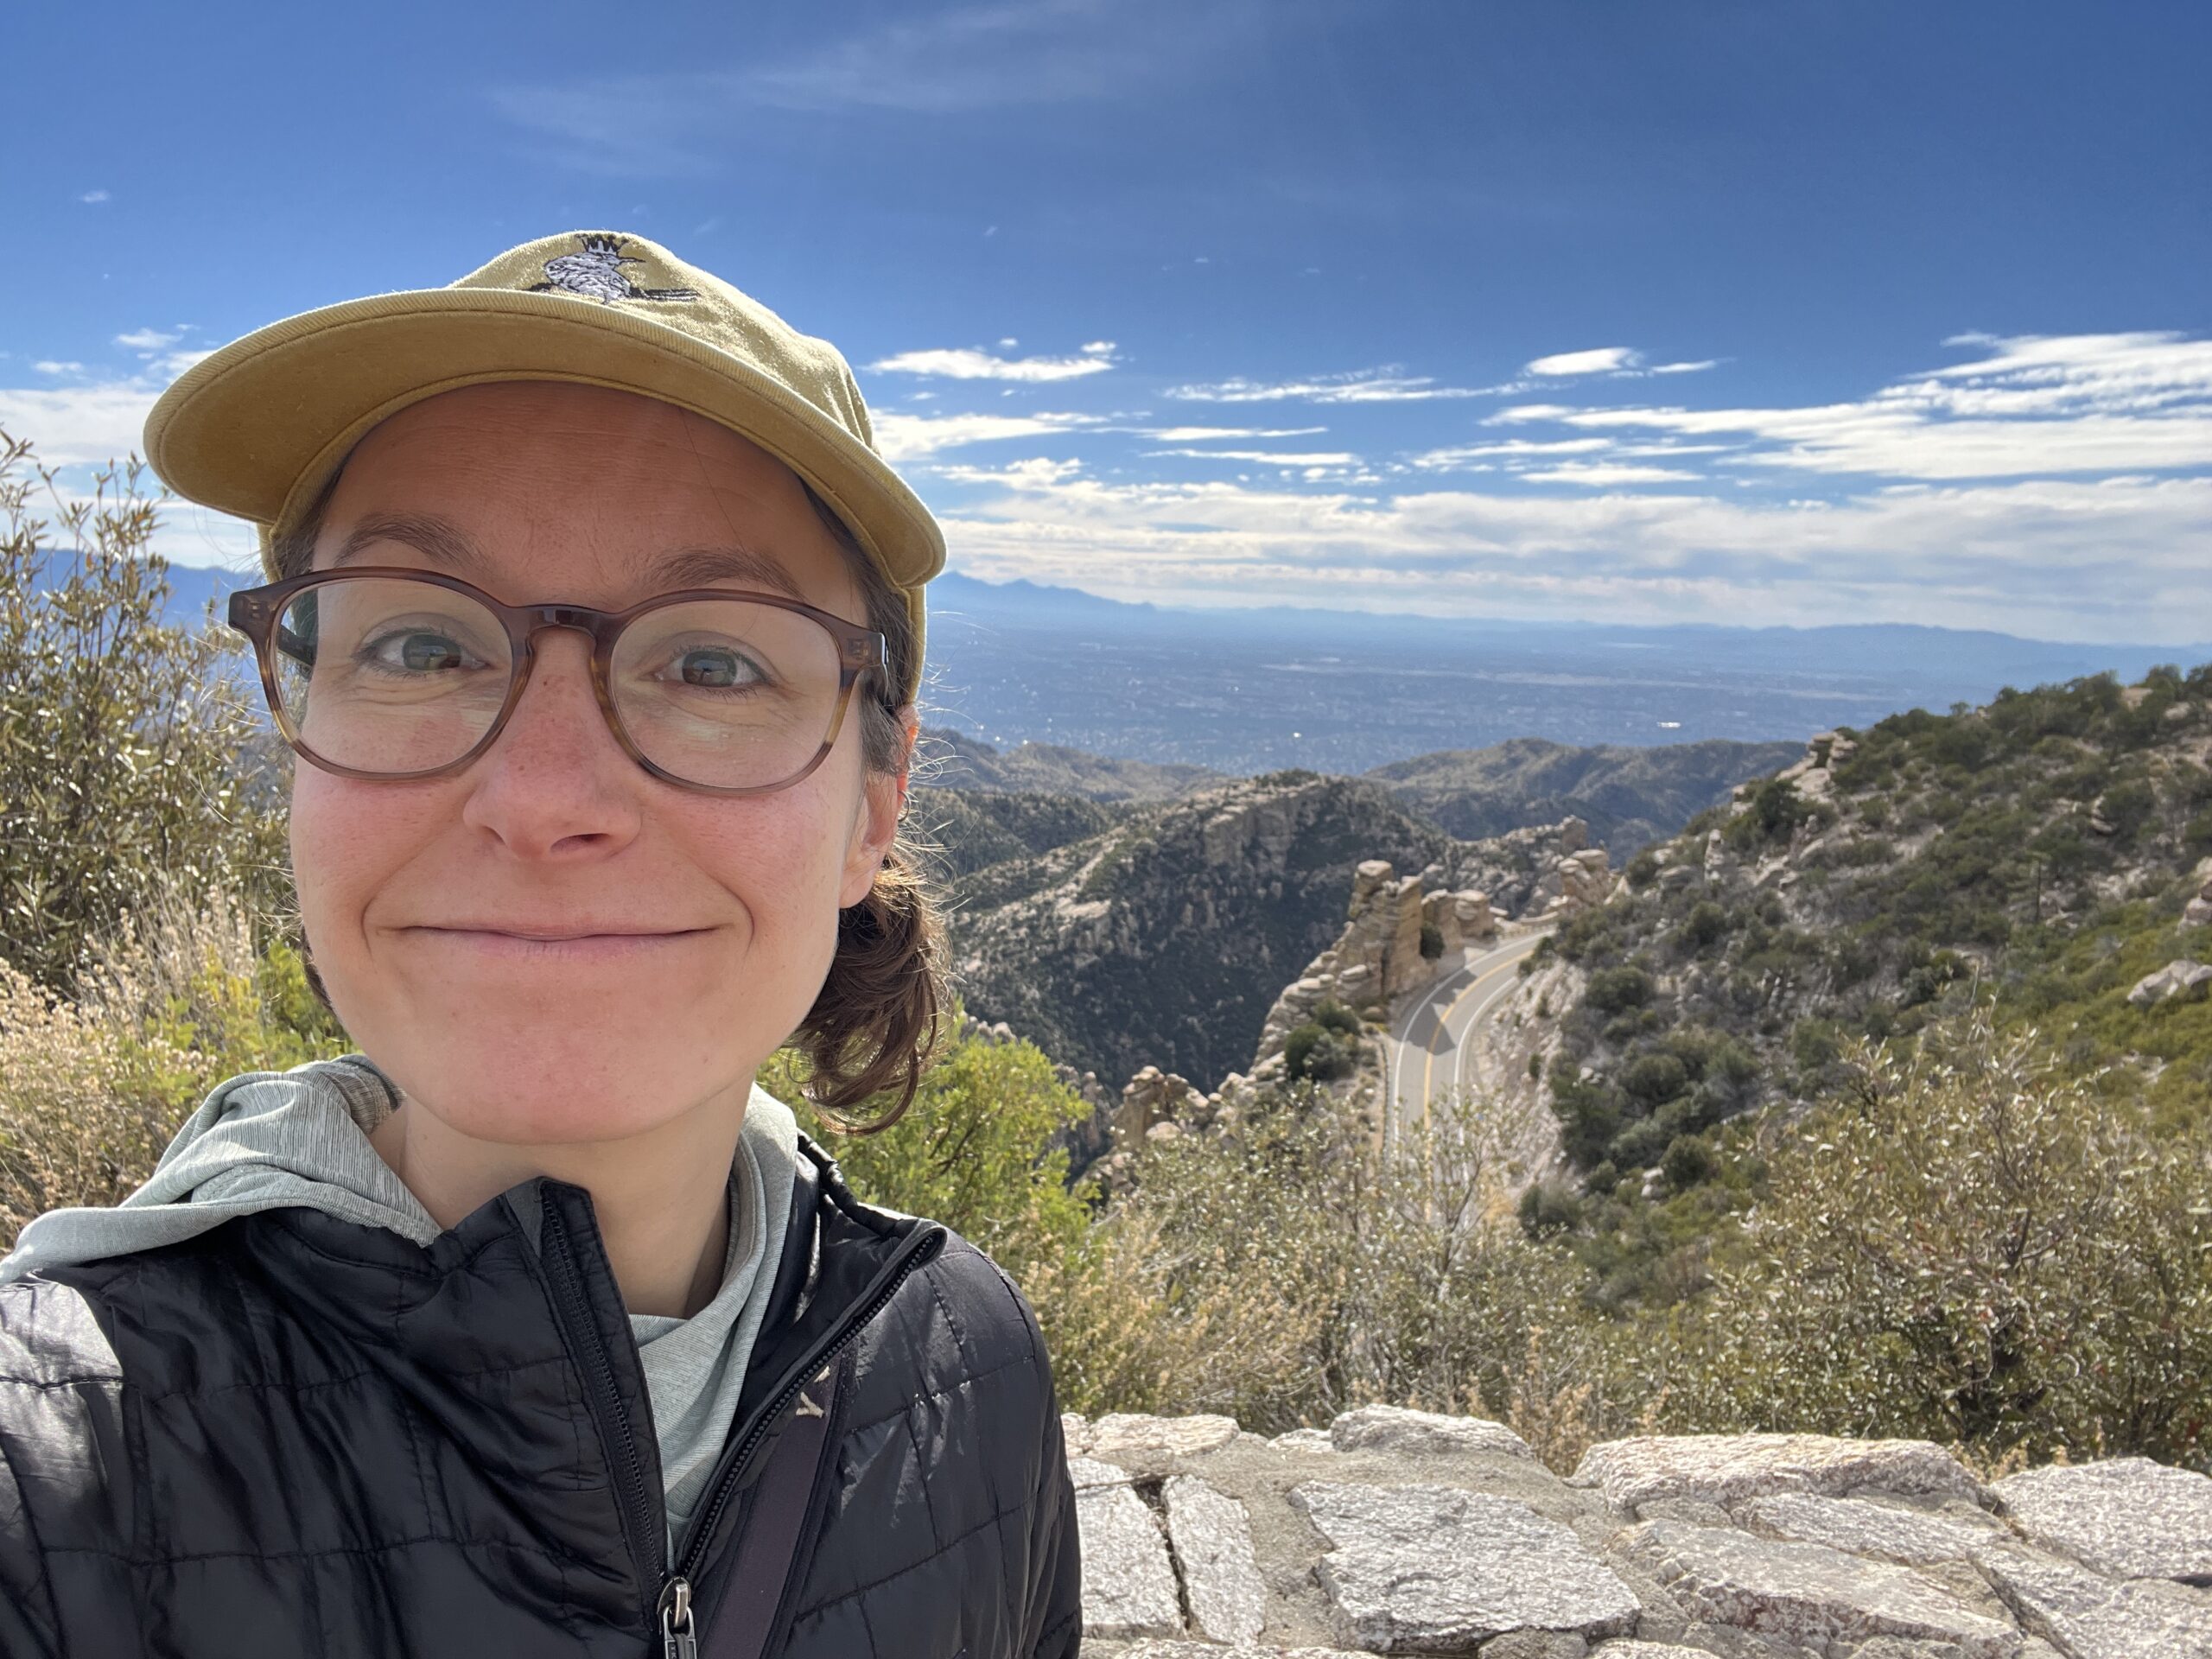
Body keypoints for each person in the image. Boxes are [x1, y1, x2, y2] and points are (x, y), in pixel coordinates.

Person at [0, 231, 1082, 1658]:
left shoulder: (963, 1365)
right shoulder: (51, 1470)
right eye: (419, 646)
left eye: (714, 662)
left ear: (870, 808)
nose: (543, 797)